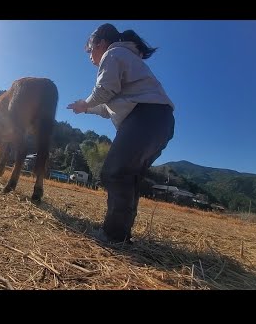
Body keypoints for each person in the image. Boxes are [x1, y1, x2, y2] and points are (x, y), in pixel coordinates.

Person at [67, 23, 175, 245]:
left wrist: (84, 103)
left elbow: (104, 91)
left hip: (146, 117)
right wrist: (85, 108)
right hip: (159, 121)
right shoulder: (125, 58)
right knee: (129, 176)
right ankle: (120, 233)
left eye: (90, 50)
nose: (90, 57)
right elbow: (107, 107)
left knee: (114, 172)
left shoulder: (113, 53)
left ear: (101, 43)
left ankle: (113, 235)